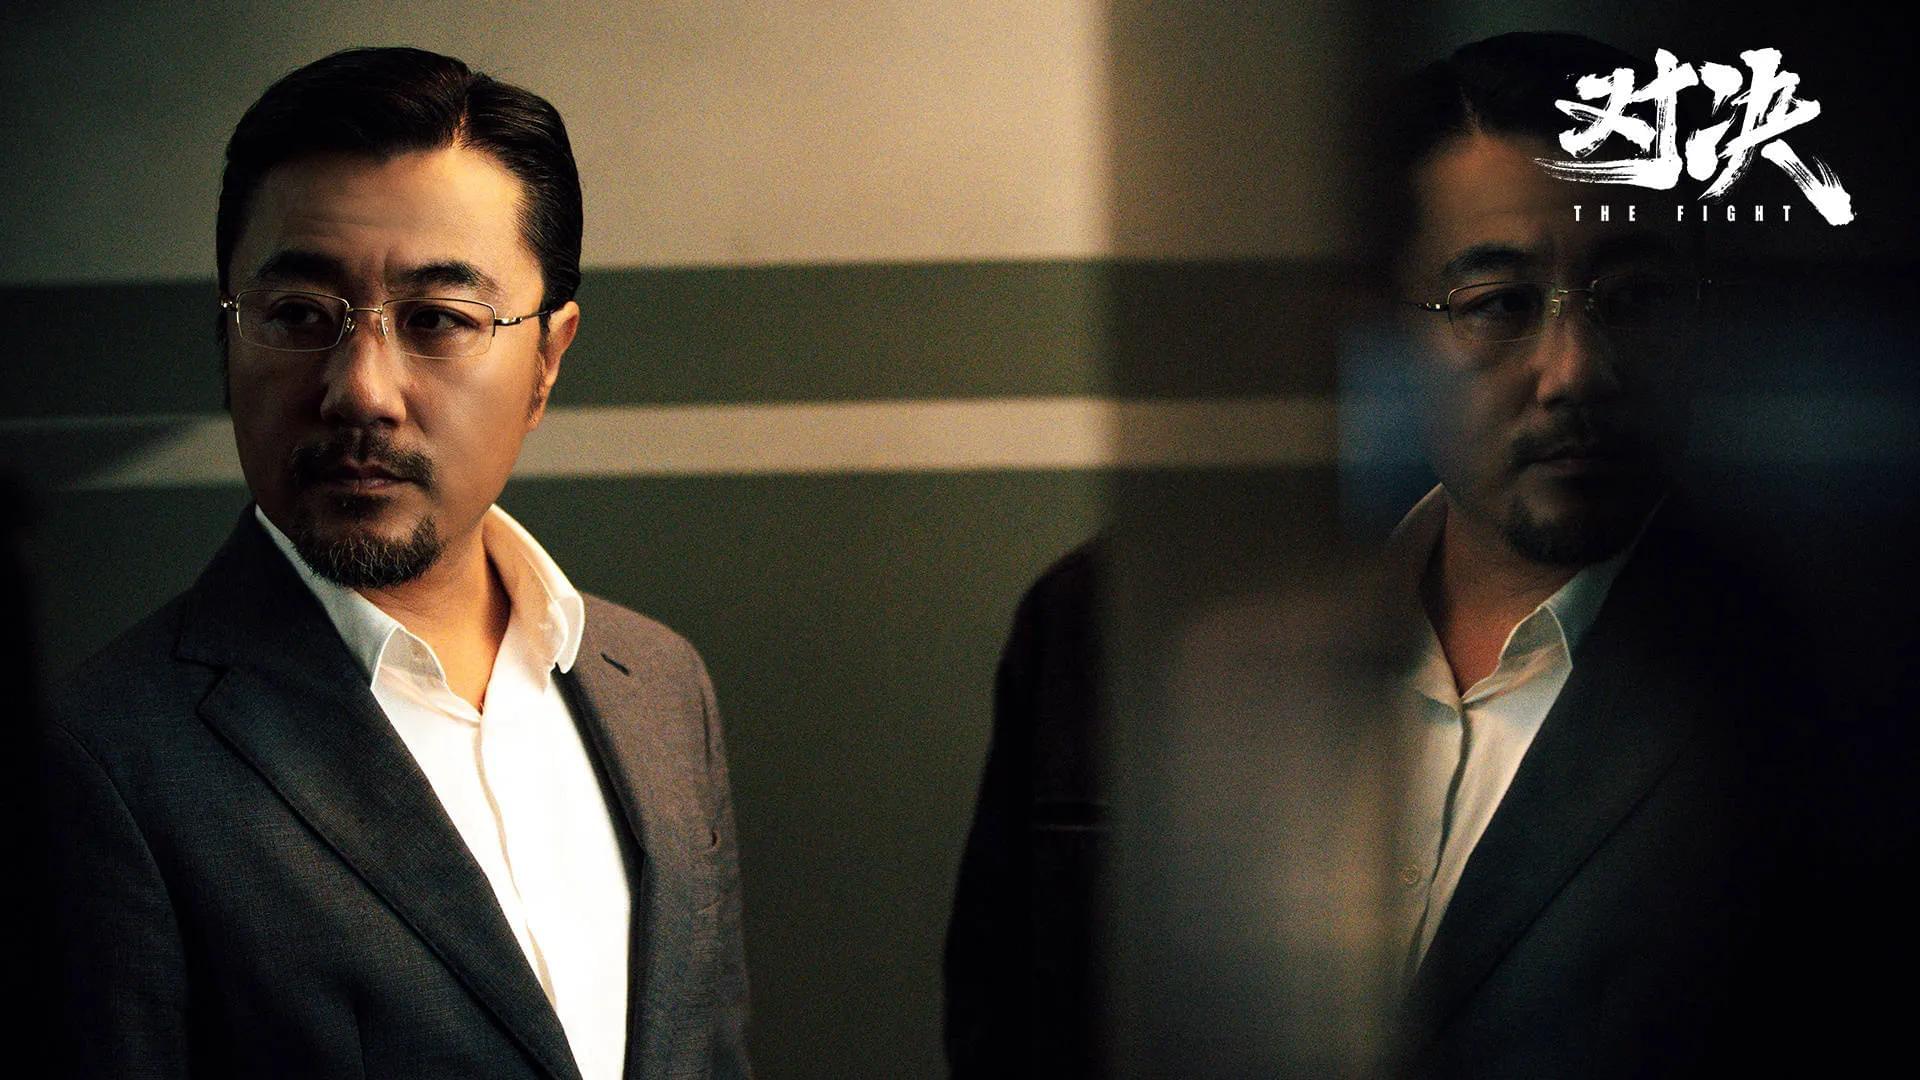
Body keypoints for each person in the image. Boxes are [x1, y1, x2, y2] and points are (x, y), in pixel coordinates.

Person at [946, 32, 1831, 1076]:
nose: (1574, 370)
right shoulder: (1111, 629)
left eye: (1633, 297)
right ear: (1382, 327)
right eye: (1498, 305)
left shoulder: (1799, 680)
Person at [37, 47, 749, 1079]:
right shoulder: (102, 760)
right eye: (296, 316)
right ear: (227, 339)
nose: (361, 391)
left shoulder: (659, 689)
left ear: (547, 361)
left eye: (438, 321)